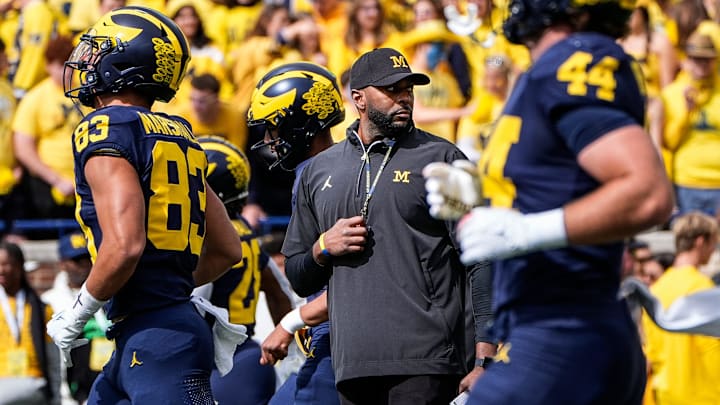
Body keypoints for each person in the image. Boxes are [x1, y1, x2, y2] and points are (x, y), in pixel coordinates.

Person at [422, 0, 675, 403]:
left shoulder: (575, 60)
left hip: (565, 326)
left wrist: (528, 230)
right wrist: (485, 194)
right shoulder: (542, 69)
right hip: (547, 327)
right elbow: (557, 177)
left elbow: (648, 191)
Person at [45, 6, 245, 403]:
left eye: (97, 51)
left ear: (125, 59)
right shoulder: (179, 134)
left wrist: (79, 312)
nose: (86, 62)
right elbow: (227, 248)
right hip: (159, 332)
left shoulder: (106, 127)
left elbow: (125, 246)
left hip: (155, 341)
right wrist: (166, 293)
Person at [280, 48, 496, 404]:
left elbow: (483, 259)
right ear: (359, 98)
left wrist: (485, 356)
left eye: (408, 88)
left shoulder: (444, 157)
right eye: (391, 89)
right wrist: (322, 248)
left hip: (430, 360)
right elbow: (298, 275)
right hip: (352, 366)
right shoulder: (320, 170)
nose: (404, 98)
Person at [248, 61, 346, 405]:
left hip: (340, 336)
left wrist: (291, 322)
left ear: (299, 123)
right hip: (333, 330)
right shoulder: (325, 168)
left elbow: (354, 281)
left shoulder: (320, 175)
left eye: (273, 128)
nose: (267, 140)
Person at [195, 135, 292, 405]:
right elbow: (279, 292)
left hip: (215, 359)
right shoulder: (243, 232)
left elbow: (192, 299)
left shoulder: (209, 237)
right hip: (244, 355)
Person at [642, 211, 720, 405]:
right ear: (701, 242)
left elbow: (650, 350)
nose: (713, 250)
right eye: (713, 243)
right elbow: (712, 350)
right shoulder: (703, 289)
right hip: (703, 396)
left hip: (664, 395)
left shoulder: (656, 290)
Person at [13, 35, 82, 221]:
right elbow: (23, 147)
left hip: (87, 185)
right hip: (48, 188)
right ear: (48, 66)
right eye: (61, 66)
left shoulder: (87, 93)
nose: (67, 72)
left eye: (71, 65)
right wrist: (56, 180)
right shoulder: (35, 98)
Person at [42, 232, 111, 405]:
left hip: (108, 384)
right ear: (63, 264)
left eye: (88, 260)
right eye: (77, 261)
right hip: (72, 393)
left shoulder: (111, 295)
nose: (85, 266)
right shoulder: (50, 301)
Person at [0, 241, 60, 405]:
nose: (1, 270)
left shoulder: (41, 308)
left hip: (33, 379)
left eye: (5, 264)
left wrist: (56, 396)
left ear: (19, 266)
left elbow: (53, 357)